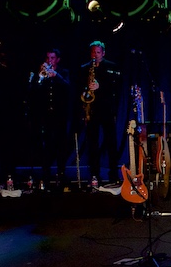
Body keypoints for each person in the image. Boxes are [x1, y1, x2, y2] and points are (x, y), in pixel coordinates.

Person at [27, 48, 71, 189]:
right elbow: (32, 90)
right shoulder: (40, 73)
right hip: (44, 116)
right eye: (48, 58)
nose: (49, 61)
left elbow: (68, 87)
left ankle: (61, 174)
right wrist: (40, 77)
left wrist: (56, 76)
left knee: (61, 146)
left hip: (60, 116)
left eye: (52, 58)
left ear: (57, 59)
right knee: (46, 146)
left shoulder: (64, 72)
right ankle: (45, 175)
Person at [79, 40, 122, 184]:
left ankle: (113, 174)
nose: (95, 55)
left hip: (107, 108)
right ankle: (94, 174)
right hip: (91, 109)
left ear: (103, 53)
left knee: (111, 142)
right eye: (93, 52)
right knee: (92, 143)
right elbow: (79, 87)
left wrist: (100, 86)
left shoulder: (111, 67)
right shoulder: (85, 68)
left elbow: (116, 87)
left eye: (98, 52)